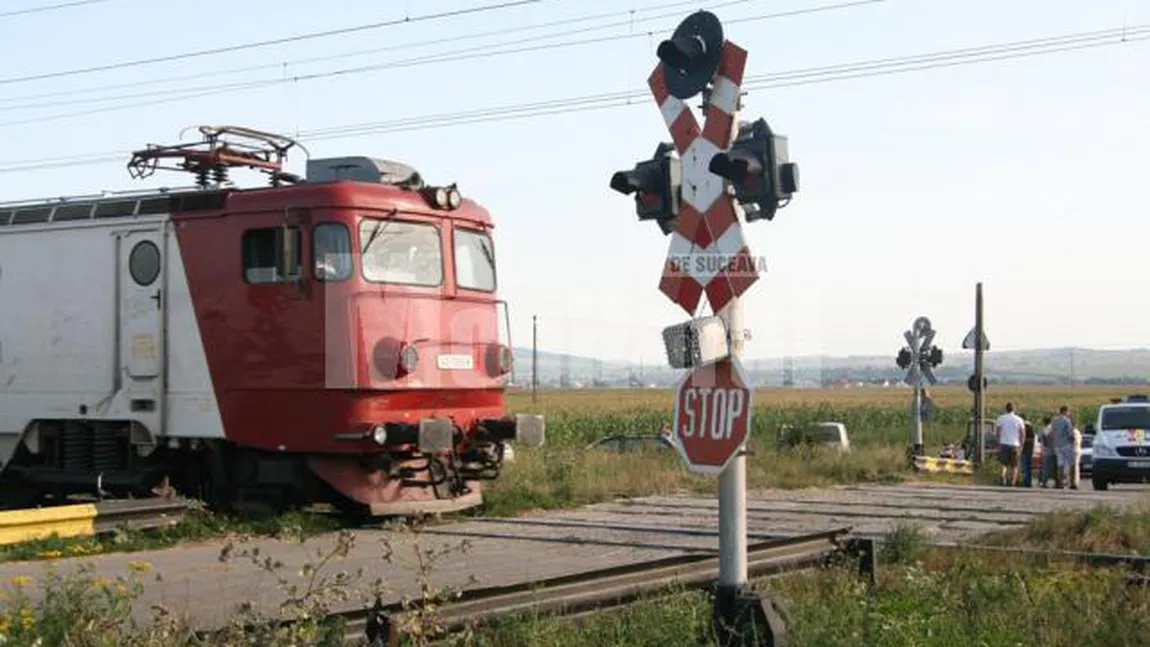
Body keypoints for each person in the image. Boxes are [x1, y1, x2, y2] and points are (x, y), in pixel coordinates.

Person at [995, 402, 1026, 486]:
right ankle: (1012, 482)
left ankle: (1002, 476)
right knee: (1014, 465)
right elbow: (1022, 434)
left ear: (1006, 409)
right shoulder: (1019, 420)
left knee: (1003, 463)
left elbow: (998, 432)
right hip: (1015, 444)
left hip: (1004, 443)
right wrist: (1021, 445)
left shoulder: (1001, 418)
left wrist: (998, 443)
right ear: (1014, 409)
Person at [1051, 405, 1076, 489]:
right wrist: (1073, 441)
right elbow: (1070, 433)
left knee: (1060, 464)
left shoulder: (1054, 420)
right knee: (1072, 464)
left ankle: (1059, 483)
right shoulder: (1066, 420)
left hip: (1057, 445)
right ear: (1065, 411)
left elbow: (1052, 432)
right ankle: (1072, 483)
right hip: (1067, 444)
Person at [1038, 416, 1059, 488]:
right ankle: (1057, 483)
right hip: (1054, 451)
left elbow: (1040, 440)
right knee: (1055, 468)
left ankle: (1044, 483)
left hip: (1045, 451)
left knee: (1045, 468)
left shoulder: (1043, 430)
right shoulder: (1054, 429)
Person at [1020, 413, 1036, 487]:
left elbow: (1030, 438)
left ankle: (1026, 482)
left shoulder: (1027, 426)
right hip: (1028, 449)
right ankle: (1026, 481)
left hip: (1026, 449)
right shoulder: (1029, 426)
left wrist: (1022, 440)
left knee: (1025, 466)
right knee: (1027, 466)